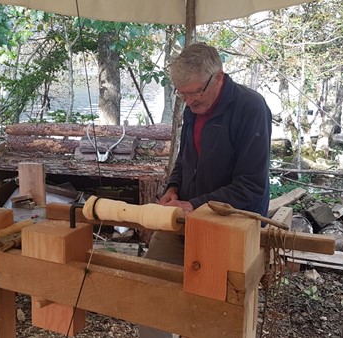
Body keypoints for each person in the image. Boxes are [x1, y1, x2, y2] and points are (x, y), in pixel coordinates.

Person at [139, 42, 271, 337]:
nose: (188, 102)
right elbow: (186, 159)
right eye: (181, 94)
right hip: (188, 215)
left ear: (219, 77)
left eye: (194, 93)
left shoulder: (251, 108)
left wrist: (194, 204)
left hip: (232, 225)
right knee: (151, 288)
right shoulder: (193, 108)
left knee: (212, 310)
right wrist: (173, 187)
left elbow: (251, 186)